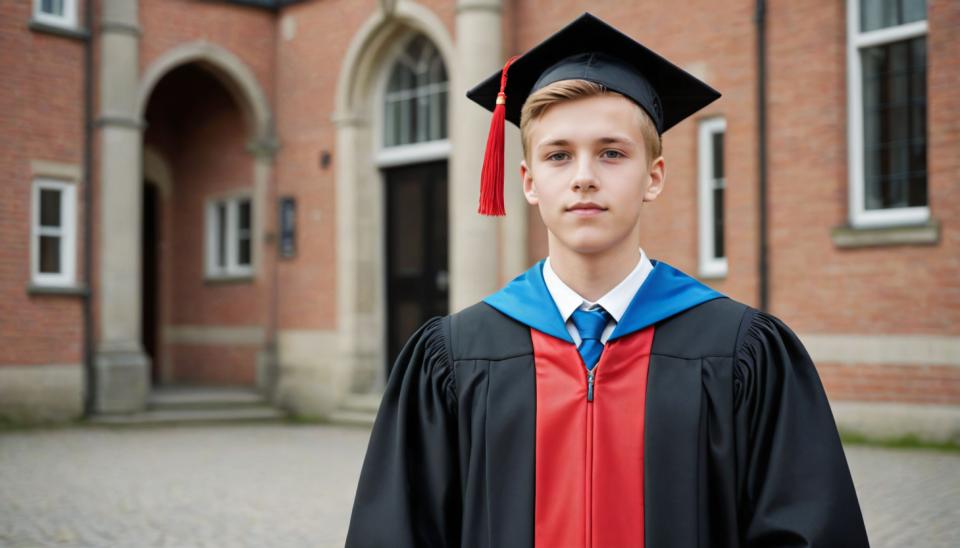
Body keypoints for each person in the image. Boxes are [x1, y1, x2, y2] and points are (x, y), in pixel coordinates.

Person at [346, 12, 869, 548]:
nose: (584, 176)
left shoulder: (741, 351)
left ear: (654, 176)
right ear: (528, 181)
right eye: (558, 155)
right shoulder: (454, 357)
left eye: (612, 153)